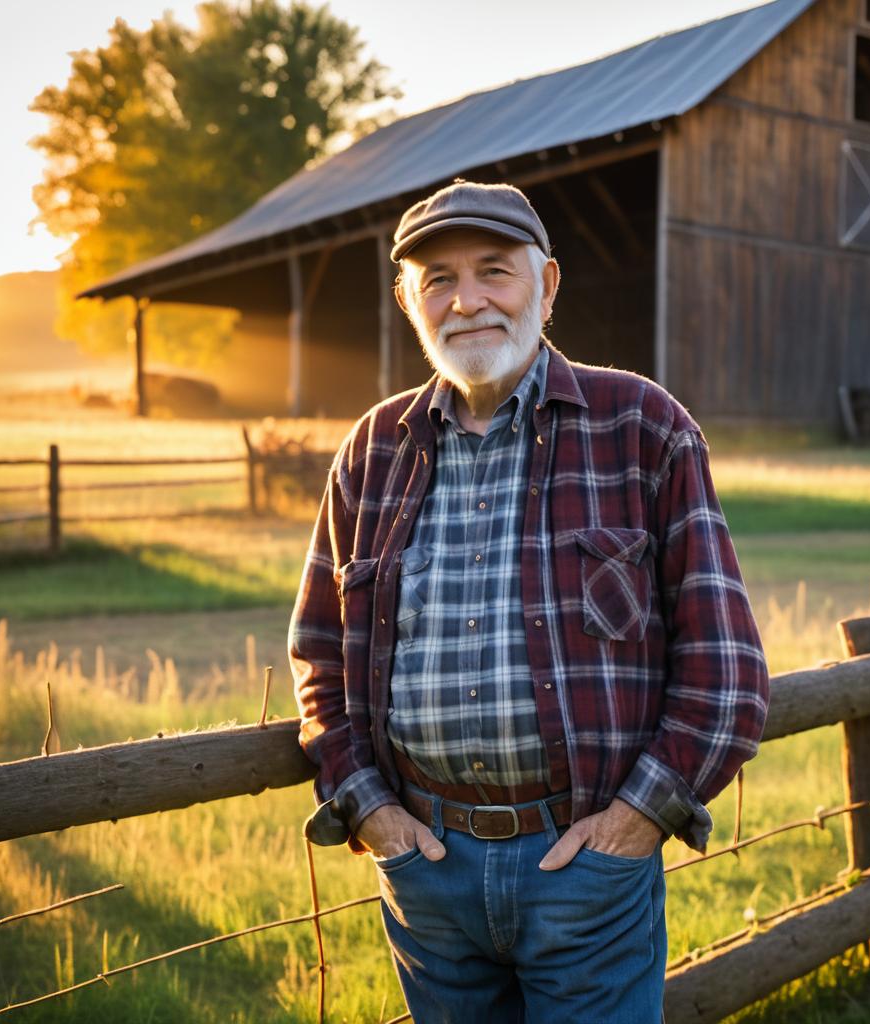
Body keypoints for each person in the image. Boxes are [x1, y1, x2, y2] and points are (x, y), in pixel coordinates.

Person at [289, 180, 769, 1023]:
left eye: (494, 272)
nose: (467, 301)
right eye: (437, 280)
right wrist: (376, 817)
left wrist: (633, 826)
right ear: (410, 303)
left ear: (546, 286)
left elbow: (725, 673)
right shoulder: (371, 452)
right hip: (425, 878)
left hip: (586, 868)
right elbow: (321, 659)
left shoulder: (641, 426)